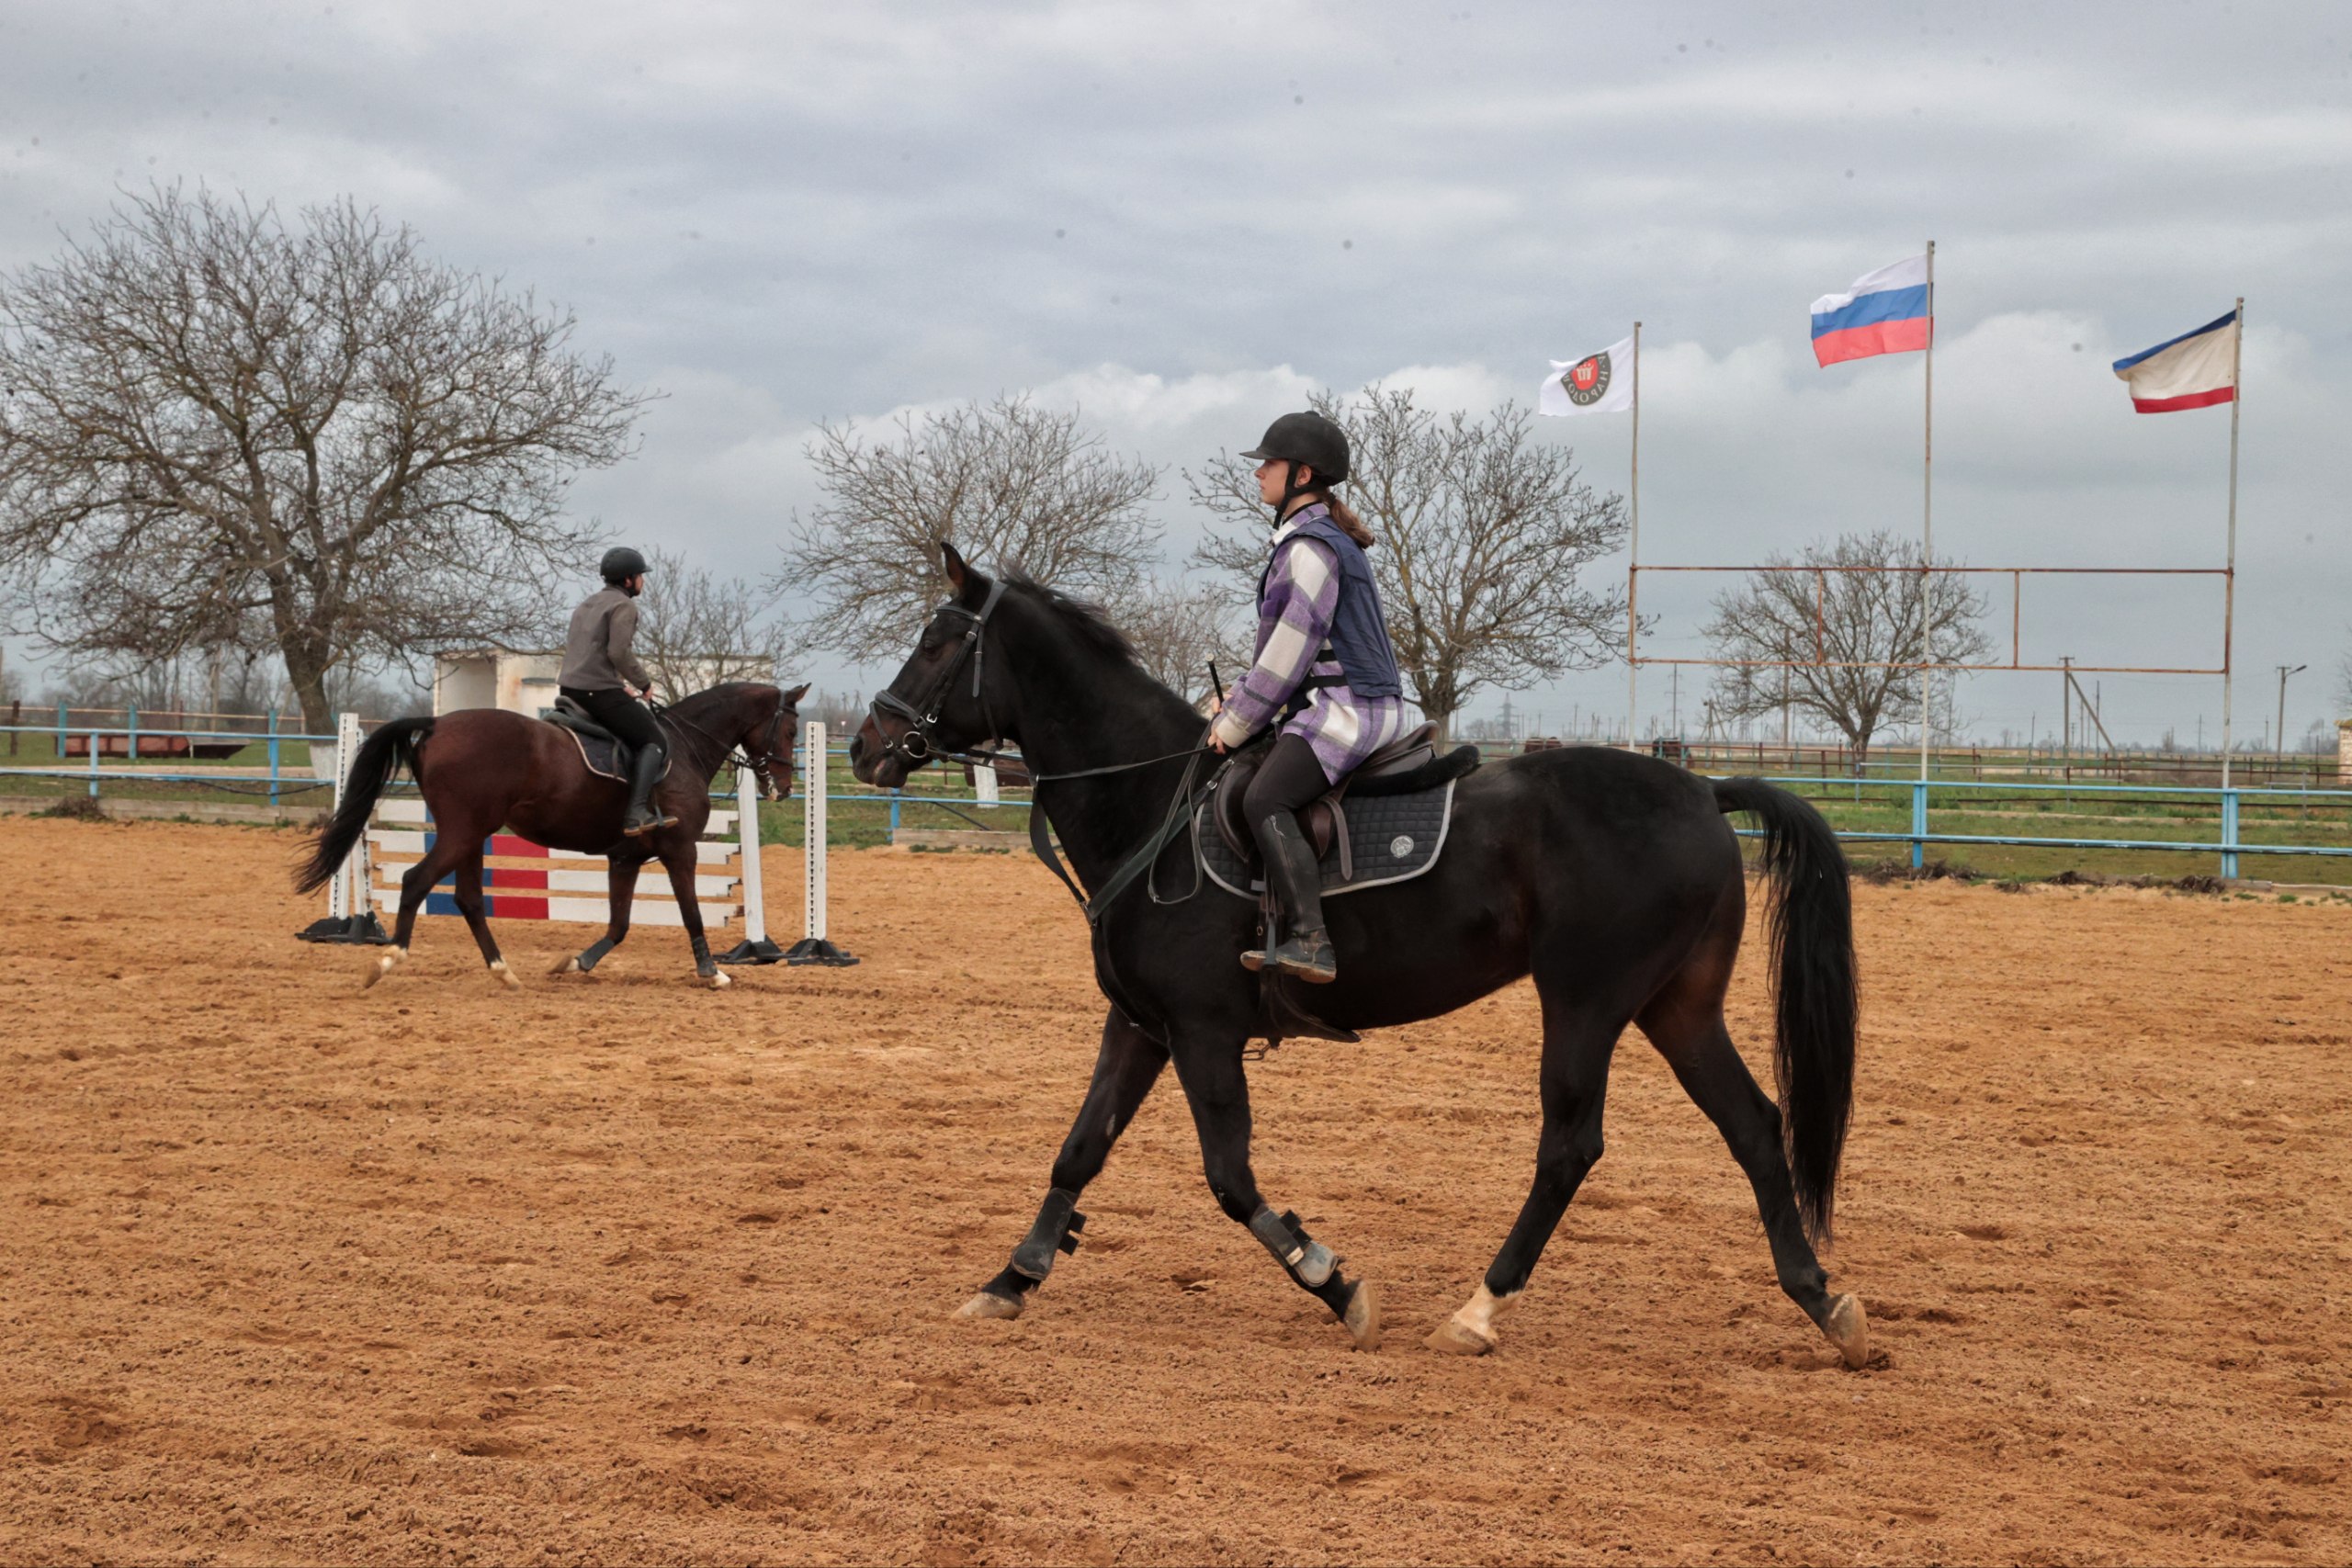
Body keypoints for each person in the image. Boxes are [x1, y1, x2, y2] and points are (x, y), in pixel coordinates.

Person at [1206, 412, 1408, 984]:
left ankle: (1312, 940)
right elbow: (1274, 658)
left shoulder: (1308, 550)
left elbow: (1285, 657)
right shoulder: (1326, 541)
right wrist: (1232, 700)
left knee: (1263, 799)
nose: (1259, 473)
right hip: (1349, 703)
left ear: (1301, 475)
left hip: (1344, 711)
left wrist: (1235, 724)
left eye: (1268, 463)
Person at [559, 547, 678, 838]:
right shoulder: (625, 607)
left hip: (571, 687)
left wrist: (618, 685)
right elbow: (619, 652)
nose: (642, 581)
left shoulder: (587, 603)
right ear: (628, 580)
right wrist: (644, 684)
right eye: (640, 576)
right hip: (596, 692)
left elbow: (589, 652)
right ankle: (636, 813)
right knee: (654, 739)